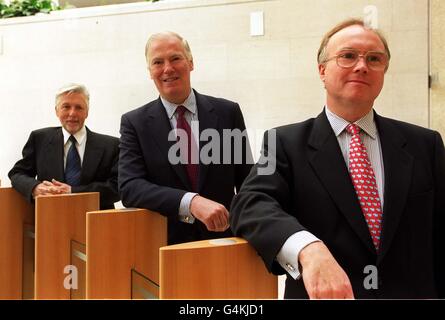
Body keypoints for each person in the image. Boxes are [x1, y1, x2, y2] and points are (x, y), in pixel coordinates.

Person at [230, 18, 445, 299]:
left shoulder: (424, 144)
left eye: (374, 59)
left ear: (384, 71)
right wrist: (306, 248)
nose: (361, 66)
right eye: (347, 56)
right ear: (322, 70)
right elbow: (249, 204)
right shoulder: (285, 143)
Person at [119, 32, 252, 245]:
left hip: (225, 244)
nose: (167, 69)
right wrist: (191, 202)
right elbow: (130, 187)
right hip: (166, 248)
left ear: (191, 63)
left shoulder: (228, 112)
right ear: (150, 72)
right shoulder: (135, 123)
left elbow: (247, 181)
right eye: (158, 62)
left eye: (175, 58)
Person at [9, 83, 120, 210]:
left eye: (79, 107)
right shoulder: (39, 139)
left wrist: (73, 191)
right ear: (56, 111)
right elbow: (17, 173)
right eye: (66, 107)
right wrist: (35, 187)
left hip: (97, 222)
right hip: (49, 219)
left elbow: (118, 187)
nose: (72, 113)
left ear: (87, 112)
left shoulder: (111, 146)